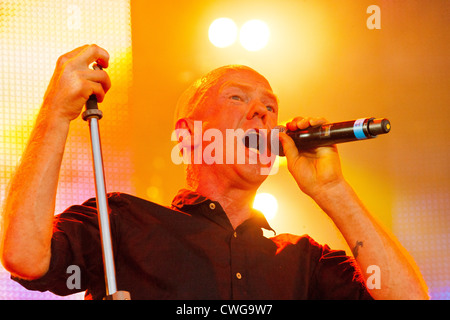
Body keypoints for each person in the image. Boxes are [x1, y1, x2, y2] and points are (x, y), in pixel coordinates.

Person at [0, 44, 428, 300]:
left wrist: (331, 188)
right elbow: (25, 256)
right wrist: (56, 113)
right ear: (188, 136)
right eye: (238, 98)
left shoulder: (305, 262)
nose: (262, 111)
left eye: (270, 105)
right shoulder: (123, 222)